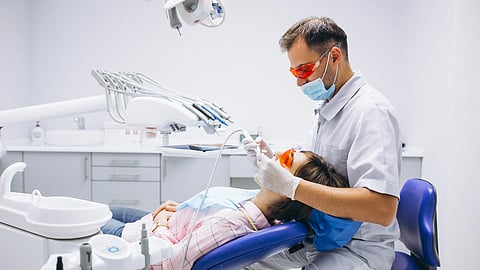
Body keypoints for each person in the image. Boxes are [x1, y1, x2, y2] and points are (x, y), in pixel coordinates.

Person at [242, 16, 402, 270]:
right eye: (294, 72)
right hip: (320, 240)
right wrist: (274, 164)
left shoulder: (371, 112)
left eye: (304, 70)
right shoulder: (325, 110)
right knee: (241, 261)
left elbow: (381, 209)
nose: (298, 82)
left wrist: (292, 185)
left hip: (358, 250)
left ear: (335, 57)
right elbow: (318, 180)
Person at [101, 150, 359, 270]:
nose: (277, 155)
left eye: (286, 160)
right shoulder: (264, 210)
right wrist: (186, 212)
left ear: (285, 188)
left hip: (140, 244)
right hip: (166, 223)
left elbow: (168, 264)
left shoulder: (232, 225)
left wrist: (161, 222)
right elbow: (209, 222)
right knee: (105, 209)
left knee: (80, 218)